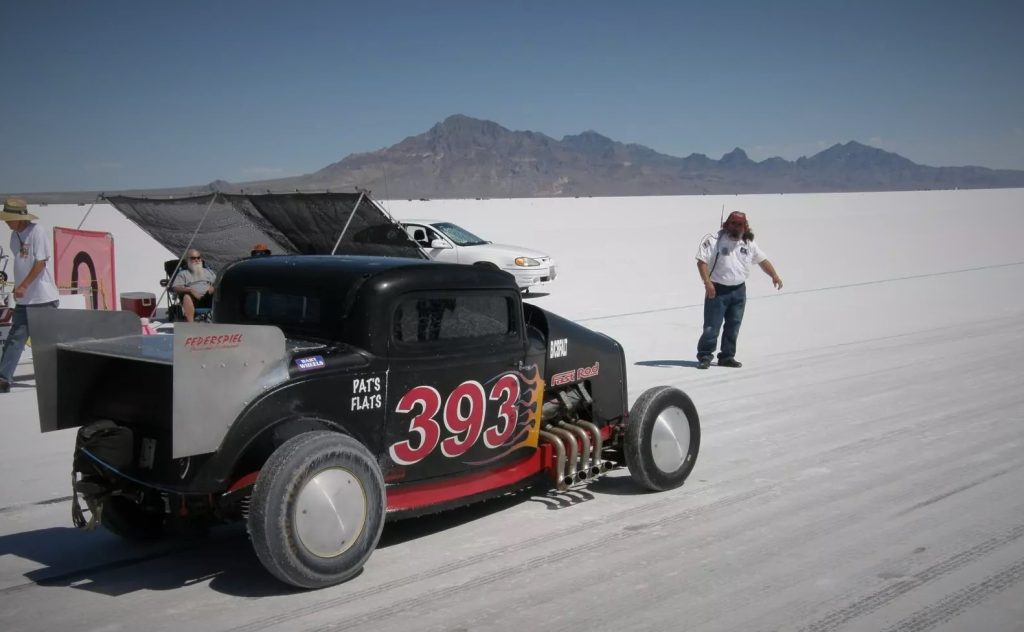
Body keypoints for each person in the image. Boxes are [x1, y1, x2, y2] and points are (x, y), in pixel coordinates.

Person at [695, 210, 783, 370]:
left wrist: (774, 275)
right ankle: (705, 356)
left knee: (733, 325)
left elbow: (762, 260)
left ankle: (727, 357)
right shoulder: (715, 240)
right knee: (711, 326)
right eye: (733, 223)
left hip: (739, 291)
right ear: (727, 224)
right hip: (717, 290)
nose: (736, 227)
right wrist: (707, 283)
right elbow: (701, 262)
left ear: (745, 227)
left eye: (740, 224)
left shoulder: (748, 244)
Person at [1, 198, 60, 393]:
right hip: (25, 299)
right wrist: (19, 288)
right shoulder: (14, 237)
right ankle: (3, 378)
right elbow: (21, 264)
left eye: (9, 219)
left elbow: (40, 262)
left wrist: (23, 285)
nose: (7, 223)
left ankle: (57, 377)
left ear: (20, 218)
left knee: (46, 343)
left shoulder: (37, 232)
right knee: (15, 338)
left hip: (43, 298)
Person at [170, 249, 216, 322]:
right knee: (186, 296)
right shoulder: (183, 273)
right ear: (187, 259)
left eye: (198, 257)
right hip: (193, 300)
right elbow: (175, 288)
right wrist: (189, 290)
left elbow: (217, 283)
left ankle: (223, 322)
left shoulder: (208, 272)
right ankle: (191, 325)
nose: (197, 260)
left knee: (221, 293)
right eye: (193, 258)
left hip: (208, 297)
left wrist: (213, 287)